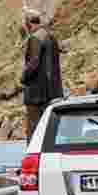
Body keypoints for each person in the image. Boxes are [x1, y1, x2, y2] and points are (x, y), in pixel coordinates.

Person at [20, 9, 63, 140]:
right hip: (53, 92)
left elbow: (33, 63)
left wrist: (23, 77)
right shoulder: (51, 37)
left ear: (28, 23)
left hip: (36, 94)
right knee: (50, 132)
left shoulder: (35, 38)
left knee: (34, 132)